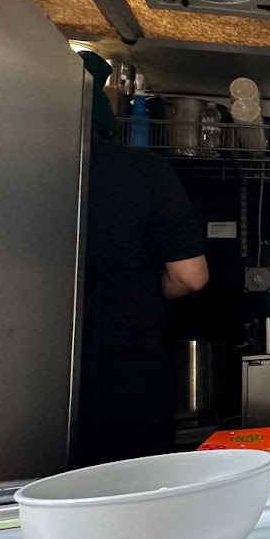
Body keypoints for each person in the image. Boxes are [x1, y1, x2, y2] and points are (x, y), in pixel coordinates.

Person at [74, 51, 209, 467]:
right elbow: (191, 277)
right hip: (127, 371)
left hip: (26, 377)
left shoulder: (17, 166)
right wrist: (140, 291)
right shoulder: (144, 170)